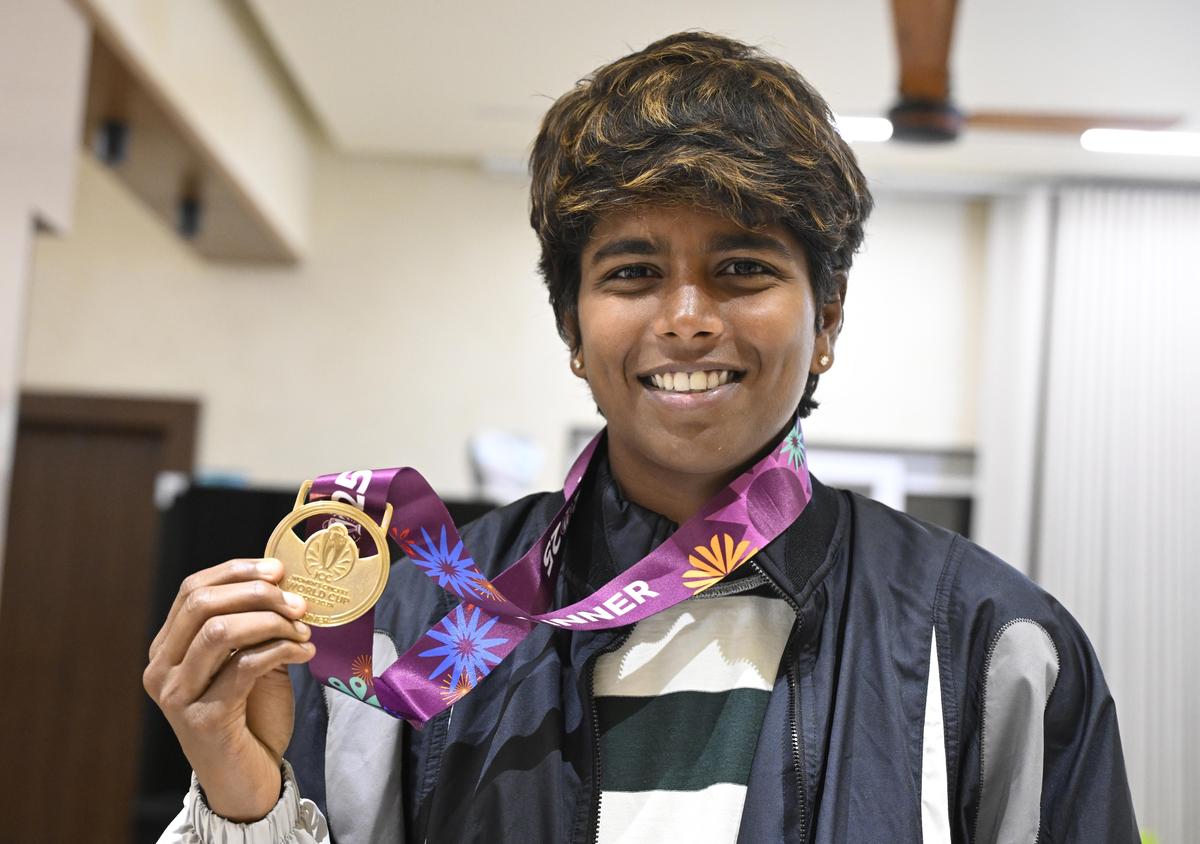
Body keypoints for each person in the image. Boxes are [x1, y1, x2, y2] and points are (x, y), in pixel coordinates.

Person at [145, 31, 1138, 843]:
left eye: (744, 267)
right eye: (630, 273)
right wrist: (240, 794)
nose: (687, 317)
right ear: (574, 329)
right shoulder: (428, 624)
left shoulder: (994, 646)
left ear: (826, 320)